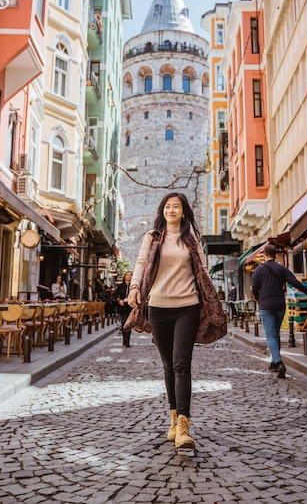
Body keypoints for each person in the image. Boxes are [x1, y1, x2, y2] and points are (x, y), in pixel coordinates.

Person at [129, 192, 212, 452]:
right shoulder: (152, 237)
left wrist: (210, 298)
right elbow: (142, 263)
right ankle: (174, 417)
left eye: (176, 206)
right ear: (162, 211)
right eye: (168, 206)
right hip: (158, 308)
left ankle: (184, 427)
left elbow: (203, 269)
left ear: (184, 212)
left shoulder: (192, 239)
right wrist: (133, 287)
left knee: (181, 364)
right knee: (168, 365)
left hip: (187, 307)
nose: (171, 210)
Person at [251, 244, 307, 379]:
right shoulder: (281, 269)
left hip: (266, 305)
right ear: (275, 255)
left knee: (270, 335)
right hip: (279, 305)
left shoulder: (259, 270)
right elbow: (295, 282)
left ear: (265, 255)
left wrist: (259, 299)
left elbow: (254, 288)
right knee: (275, 334)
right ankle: (273, 362)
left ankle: (279, 363)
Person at [114, 271, 133, 347]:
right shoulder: (120, 286)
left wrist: (129, 299)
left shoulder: (133, 287)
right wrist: (119, 301)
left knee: (129, 324)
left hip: (130, 307)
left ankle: (127, 341)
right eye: (127, 275)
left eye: (130, 275)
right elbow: (115, 295)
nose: (129, 276)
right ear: (125, 276)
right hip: (122, 307)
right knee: (123, 323)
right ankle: (124, 340)